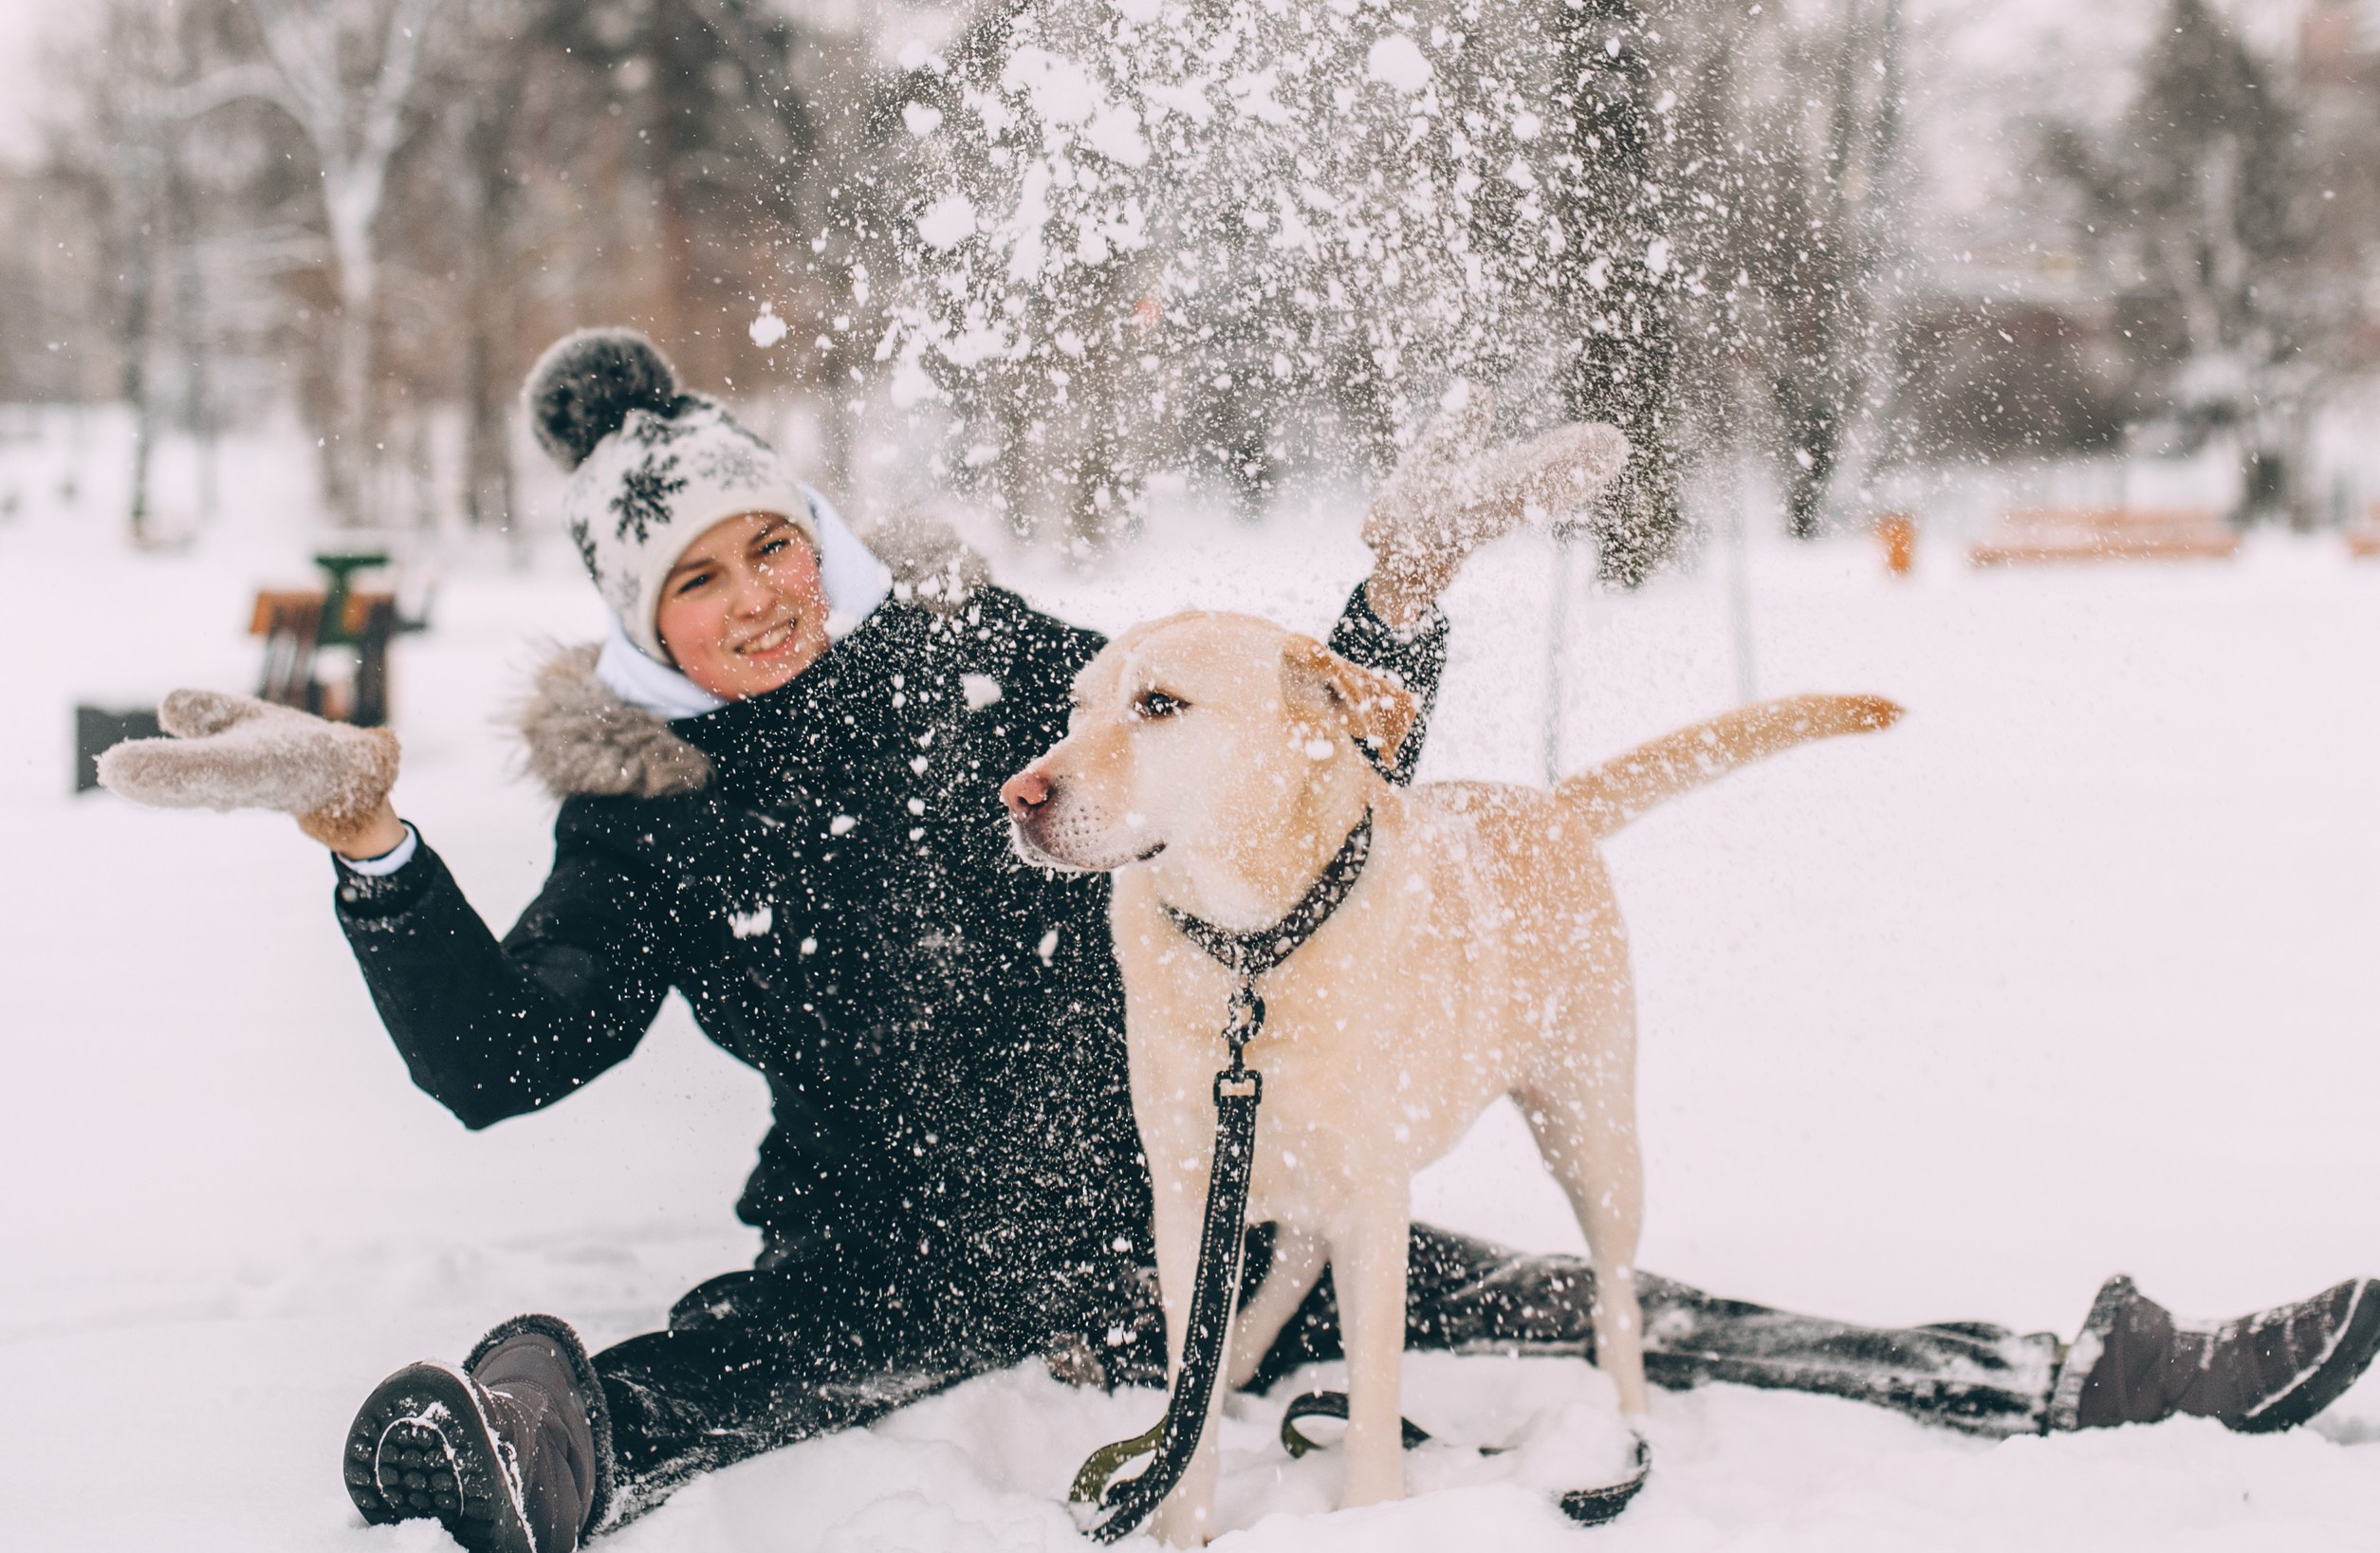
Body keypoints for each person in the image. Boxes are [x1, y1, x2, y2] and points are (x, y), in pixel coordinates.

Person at [104, 331, 2380, 1553]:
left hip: (1215, 1203)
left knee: (1624, 1308)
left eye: (768, 541)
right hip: (894, 1256)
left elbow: (1291, 783)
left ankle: (2085, 1378)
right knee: (703, 1380)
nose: (757, 596)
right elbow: (503, 1063)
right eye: (695, 581)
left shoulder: (1001, 664)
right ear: (645, 625)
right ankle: (524, 1447)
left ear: (812, 530)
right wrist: (374, 839)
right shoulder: (656, 809)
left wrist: (1390, 608)